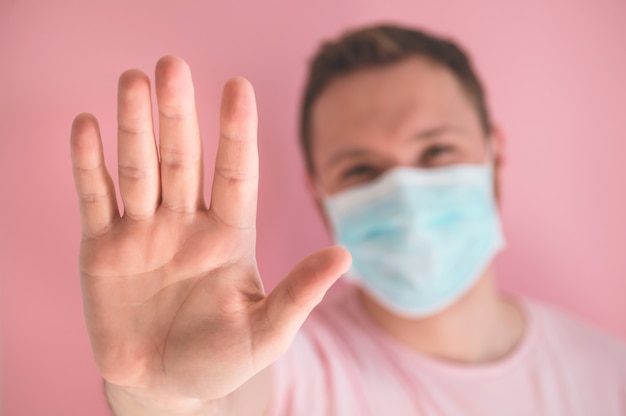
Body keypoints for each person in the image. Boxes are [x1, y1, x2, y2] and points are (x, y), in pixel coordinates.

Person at [70, 24, 626, 415]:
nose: (405, 194)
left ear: (494, 159)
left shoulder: (609, 377)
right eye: (362, 170)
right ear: (321, 197)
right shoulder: (290, 361)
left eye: (436, 152)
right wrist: (164, 400)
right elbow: (224, 398)